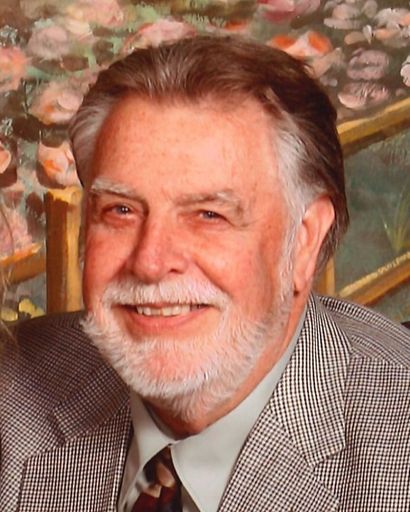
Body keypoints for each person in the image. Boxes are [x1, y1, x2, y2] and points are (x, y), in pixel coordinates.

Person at [1, 35, 409, 512]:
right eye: (120, 210)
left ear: (304, 239)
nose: (151, 262)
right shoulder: (13, 388)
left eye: (208, 215)